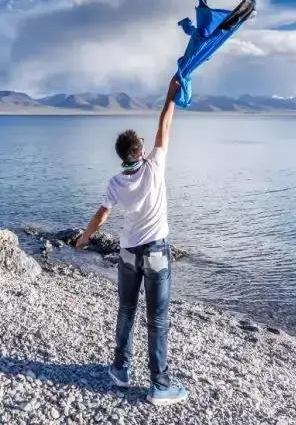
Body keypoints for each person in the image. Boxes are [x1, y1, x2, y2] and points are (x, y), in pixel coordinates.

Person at [74, 74, 188, 406]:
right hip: (156, 253)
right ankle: (160, 385)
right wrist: (171, 93)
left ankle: (121, 370)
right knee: (157, 319)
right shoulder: (154, 166)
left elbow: (101, 215)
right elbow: (164, 126)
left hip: (127, 253)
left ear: (121, 155)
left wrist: (84, 238)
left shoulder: (114, 182)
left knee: (126, 310)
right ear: (139, 151)